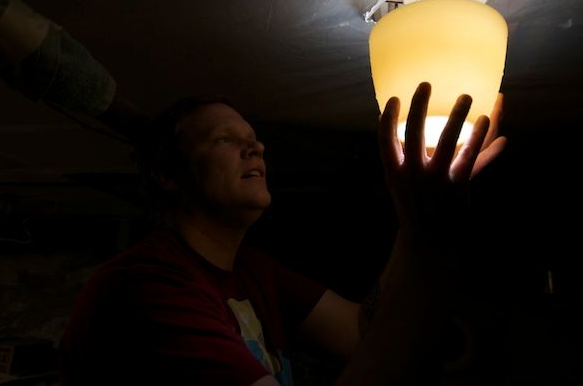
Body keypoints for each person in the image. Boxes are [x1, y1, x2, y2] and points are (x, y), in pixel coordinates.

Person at [57, 81, 507, 386]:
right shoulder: (147, 286)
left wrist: (417, 230)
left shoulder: (253, 271)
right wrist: (423, 235)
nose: (255, 147)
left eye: (253, 138)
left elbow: (361, 331)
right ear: (167, 175)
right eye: (223, 139)